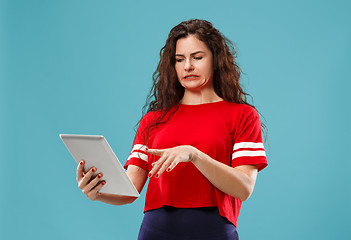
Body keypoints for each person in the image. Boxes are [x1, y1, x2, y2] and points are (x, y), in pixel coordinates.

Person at [76, 19, 268, 240]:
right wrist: (97, 192)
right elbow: (129, 191)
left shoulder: (242, 115)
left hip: (214, 231)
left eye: (197, 57)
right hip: (156, 231)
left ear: (216, 60)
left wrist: (194, 155)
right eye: (180, 59)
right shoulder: (153, 120)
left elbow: (243, 188)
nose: (188, 66)